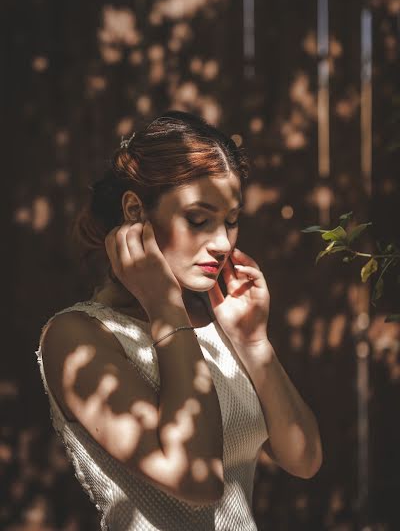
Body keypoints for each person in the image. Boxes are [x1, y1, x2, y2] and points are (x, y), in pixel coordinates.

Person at [36, 111, 322, 530]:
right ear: (135, 211)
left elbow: (304, 459)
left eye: (231, 220)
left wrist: (254, 344)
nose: (223, 243)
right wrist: (166, 310)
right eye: (198, 219)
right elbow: (197, 478)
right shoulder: (77, 337)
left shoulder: (215, 321)